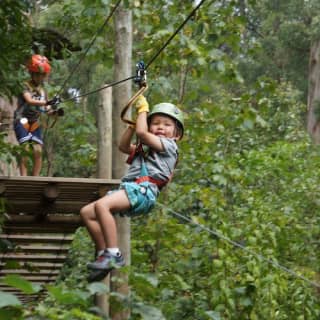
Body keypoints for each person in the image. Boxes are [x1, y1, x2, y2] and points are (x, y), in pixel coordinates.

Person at [80, 93, 184, 281]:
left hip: (144, 191)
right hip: (133, 189)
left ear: (176, 135)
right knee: (87, 212)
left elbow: (143, 135)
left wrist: (143, 110)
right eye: (156, 123)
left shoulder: (169, 146)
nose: (161, 127)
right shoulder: (145, 149)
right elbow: (123, 146)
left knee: (102, 206)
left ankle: (113, 253)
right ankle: (105, 253)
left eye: (167, 125)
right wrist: (132, 126)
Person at [14, 54, 58, 176]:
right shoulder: (25, 86)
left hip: (35, 122)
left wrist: (53, 112)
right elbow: (29, 100)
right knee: (25, 148)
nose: (40, 77)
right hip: (22, 120)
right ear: (31, 73)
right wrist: (46, 102)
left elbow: (47, 108)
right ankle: (23, 177)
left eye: (42, 75)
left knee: (38, 150)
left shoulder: (43, 91)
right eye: (37, 74)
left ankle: (36, 178)